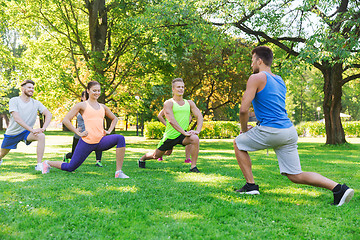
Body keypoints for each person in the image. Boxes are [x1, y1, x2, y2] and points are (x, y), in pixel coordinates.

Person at [233, 46, 354, 206]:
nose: (251, 64)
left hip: (272, 130)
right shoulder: (280, 80)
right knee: (295, 175)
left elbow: (243, 110)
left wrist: (243, 129)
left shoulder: (255, 78)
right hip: (288, 131)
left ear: (259, 60)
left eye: (252, 60)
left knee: (238, 142)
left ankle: (251, 186)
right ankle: (339, 189)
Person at [42, 81, 129, 178]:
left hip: (100, 141)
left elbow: (114, 119)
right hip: (87, 142)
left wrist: (108, 131)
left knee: (120, 138)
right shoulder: (82, 105)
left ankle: (118, 172)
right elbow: (66, 120)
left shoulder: (102, 107)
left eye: (99, 91)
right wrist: (78, 132)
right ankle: (47, 163)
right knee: (71, 167)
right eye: (94, 90)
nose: (97, 93)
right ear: (88, 91)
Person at [138, 78, 203, 172]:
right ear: (173, 89)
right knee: (156, 155)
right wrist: (184, 133)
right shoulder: (168, 103)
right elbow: (171, 121)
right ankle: (142, 158)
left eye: (182, 87)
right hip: (170, 136)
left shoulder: (189, 103)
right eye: (178, 87)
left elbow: (199, 116)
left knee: (195, 138)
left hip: (182, 135)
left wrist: (197, 131)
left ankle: (193, 167)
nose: (181, 89)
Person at [0, 80, 52, 171]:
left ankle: (39, 165)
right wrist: (32, 130)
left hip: (26, 132)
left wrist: (43, 128)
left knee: (41, 136)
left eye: (32, 88)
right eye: (29, 87)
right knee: (1, 154)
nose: (31, 89)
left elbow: (48, 114)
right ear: (22, 89)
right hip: (13, 133)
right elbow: (17, 118)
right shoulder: (14, 100)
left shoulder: (36, 103)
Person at [63, 91, 103, 167]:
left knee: (98, 144)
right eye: (85, 96)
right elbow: (67, 119)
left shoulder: (95, 107)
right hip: (80, 134)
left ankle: (98, 161)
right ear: (82, 98)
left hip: (92, 133)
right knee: (74, 154)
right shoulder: (79, 107)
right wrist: (76, 129)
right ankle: (67, 156)